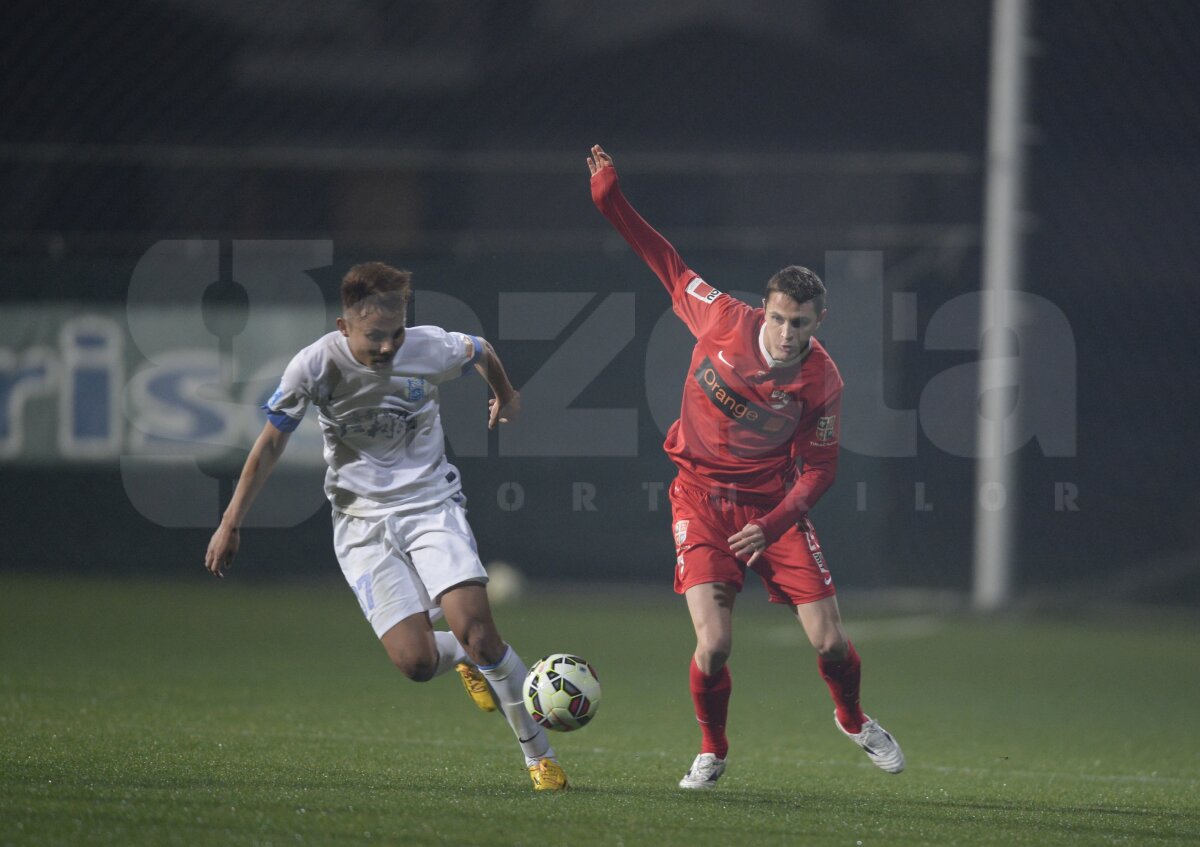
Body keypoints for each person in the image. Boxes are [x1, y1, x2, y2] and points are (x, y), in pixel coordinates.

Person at [588, 145, 903, 789]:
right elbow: (664, 259)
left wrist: (776, 522)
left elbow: (820, 470)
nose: (787, 333)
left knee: (831, 643)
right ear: (767, 308)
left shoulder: (822, 379)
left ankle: (852, 718)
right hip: (699, 501)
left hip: (772, 508)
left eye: (801, 324)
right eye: (781, 318)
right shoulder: (722, 317)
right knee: (716, 644)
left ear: (819, 322)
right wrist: (609, 200)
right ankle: (713, 750)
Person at [204, 261, 568, 791]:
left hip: (430, 505)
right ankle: (461, 654)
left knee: (484, 634)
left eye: (396, 334)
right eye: (374, 336)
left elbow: (479, 350)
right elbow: (270, 443)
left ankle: (540, 756)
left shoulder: (428, 347)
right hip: (360, 523)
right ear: (342, 327)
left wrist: (505, 396)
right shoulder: (311, 368)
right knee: (417, 663)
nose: (388, 347)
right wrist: (230, 522)